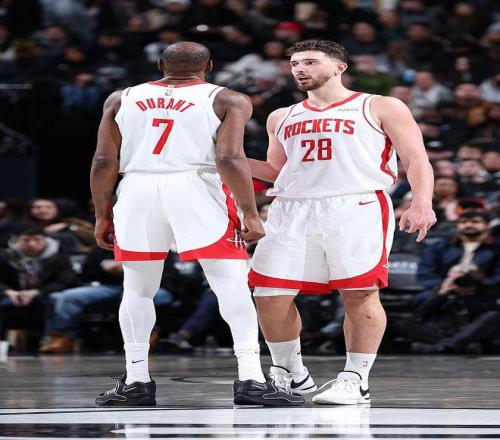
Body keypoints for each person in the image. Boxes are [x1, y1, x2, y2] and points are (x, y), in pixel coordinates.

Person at [90, 41, 303, 407]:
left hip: (137, 187)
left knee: (137, 288)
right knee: (229, 283)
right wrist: (250, 213)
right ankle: (251, 378)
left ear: (160, 64)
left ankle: (137, 380)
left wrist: (102, 214)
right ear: (210, 67)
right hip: (195, 186)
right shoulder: (228, 98)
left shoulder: (120, 98)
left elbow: (103, 161)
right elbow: (229, 158)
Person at [247, 39, 436, 405]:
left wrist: (421, 202)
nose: (300, 69)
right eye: (295, 63)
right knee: (268, 293)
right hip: (291, 208)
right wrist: (225, 159)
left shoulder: (379, 105)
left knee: (360, 292)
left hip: (356, 204)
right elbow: (276, 171)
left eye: (310, 62)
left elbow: (416, 160)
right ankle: (291, 374)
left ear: (339, 67)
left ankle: (355, 379)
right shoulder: (281, 116)